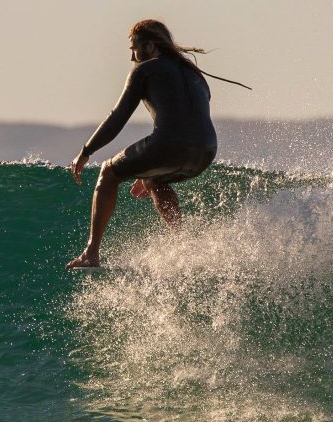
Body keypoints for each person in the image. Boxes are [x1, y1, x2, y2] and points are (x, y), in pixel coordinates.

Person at [67, 19, 249, 269]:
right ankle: (182, 245)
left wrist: (86, 151)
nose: (132, 56)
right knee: (156, 180)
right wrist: (149, 170)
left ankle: (91, 252)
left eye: (134, 48)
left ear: (151, 47)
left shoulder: (145, 70)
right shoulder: (195, 75)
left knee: (108, 172)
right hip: (206, 152)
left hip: (169, 145)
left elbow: (118, 116)